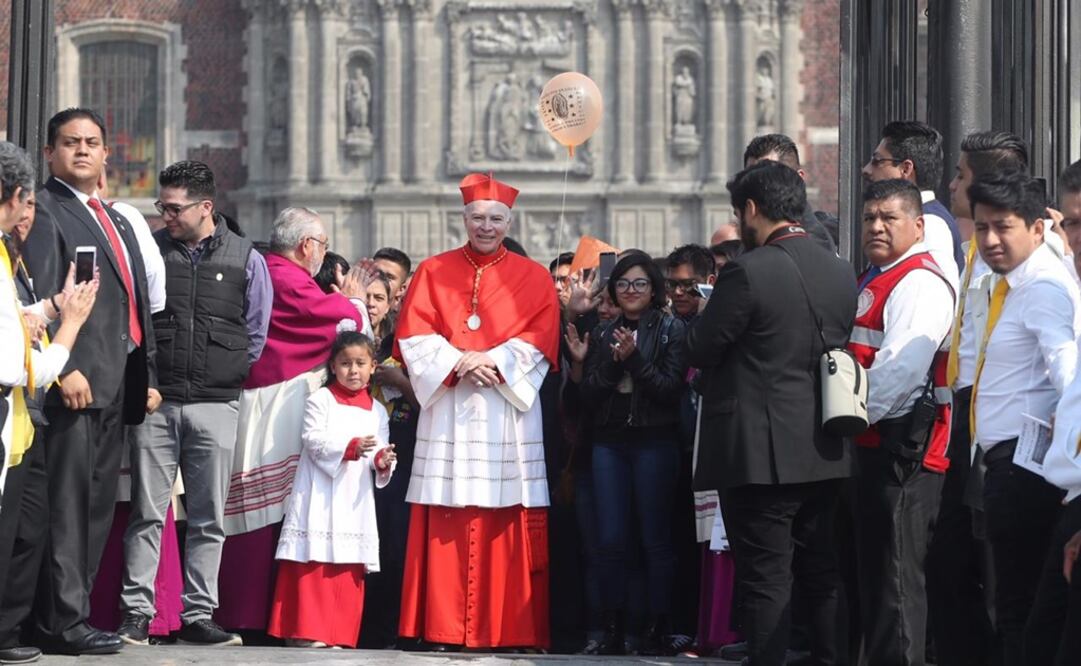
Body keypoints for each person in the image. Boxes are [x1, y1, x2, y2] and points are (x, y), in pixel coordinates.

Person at [687, 161, 857, 666]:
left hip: (758, 452)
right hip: (824, 446)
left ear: (752, 210)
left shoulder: (748, 270)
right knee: (822, 572)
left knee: (765, 576)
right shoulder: (840, 269)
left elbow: (699, 347)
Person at [395, 172, 560, 650]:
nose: (485, 227)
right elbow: (413, 334)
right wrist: (459, 362)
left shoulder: (535, 277)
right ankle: (444, 628)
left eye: (495, 219)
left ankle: (506, 628)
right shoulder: (431, 270)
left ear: (509, 221)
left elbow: (541, 335)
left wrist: (493, 361)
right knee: (447, 514)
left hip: (506, 408)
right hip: (449, 403)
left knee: (504, 516)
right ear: (463, 218)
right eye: (476, 218)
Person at [115, 161, 273, 647]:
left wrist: (227, 372)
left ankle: (199, 615)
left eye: (174, 208)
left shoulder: (247, 257)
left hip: (214, 403)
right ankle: (136, 614)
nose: (166, 215)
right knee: (148, 512)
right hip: (157, 402)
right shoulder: (152, 253)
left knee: (209, 518)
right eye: (162, 206)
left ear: (206, 207)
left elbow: (257, 329)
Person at [21, 108, 159, 656]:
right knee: (68, 508)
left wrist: (144, 373)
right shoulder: (46, 210)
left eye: (93, 142)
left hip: (116, 382)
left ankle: (73, 614)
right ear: (50, 153)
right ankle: (60, 622)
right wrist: (65, 368)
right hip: (74, 380)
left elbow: (134, 299)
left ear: (107, 155)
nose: (82, 150)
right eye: (70, 142)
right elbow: (43, 297)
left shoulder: (118, 218)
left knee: (98, 507)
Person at [214, 207, 370, 633]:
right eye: (321, 244)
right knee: (259, 515)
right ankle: (244, 616)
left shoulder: (275, 271)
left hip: (272, 400)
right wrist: (353, 298)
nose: (323, 253)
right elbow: (342, 324)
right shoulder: (285, 277)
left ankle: (250, 614)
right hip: (271, 404)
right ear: (306, 246)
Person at [968, 171, 1079, 665]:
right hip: (1009, 464)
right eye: (981, 227)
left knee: (1021, 609)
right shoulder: (1010, 286)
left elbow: (1066, 364)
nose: (991, 240)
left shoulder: (1042, 289)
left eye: (1004, 227)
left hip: (1027, 470)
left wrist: (1067, 420)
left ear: (1038, 229)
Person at [0, 142, 100, 664]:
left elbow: (13, 318)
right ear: (16, 195)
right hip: (13, 404)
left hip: (19, 418)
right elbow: (19, 367)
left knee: (25, 526)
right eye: (28, 201)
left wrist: (54, 305)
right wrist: (74, 326)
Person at [932, 130, 1029, 666]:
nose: (952, 183)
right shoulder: (973, 253)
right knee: (952, 558)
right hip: (967, 416)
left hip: (1009, 429)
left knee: (999, 572)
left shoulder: (1041, 264)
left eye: (961, 175)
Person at [848, 179, 955, 666]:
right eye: (870, 217)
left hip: (904, 450)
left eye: (889, 218)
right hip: (876, 446)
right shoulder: (878, 275)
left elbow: (897, 373)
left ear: (917, 225)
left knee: (896, 583)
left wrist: (849, 418)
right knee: (879, 578)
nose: (876, 226)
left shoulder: (918, 282)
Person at [268, 329, 396, 648]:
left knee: (347, 564)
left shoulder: (377, 411)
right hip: (319, 492)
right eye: (345, 363)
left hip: (354, 499)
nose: (353, 370)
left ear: (372, 368)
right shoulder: (321, 400)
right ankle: (305, 633)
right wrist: (350, 447)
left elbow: (377, 449)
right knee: (314, 560)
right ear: (333, 367)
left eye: (360, 363)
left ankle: (338, 633)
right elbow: (312, 440)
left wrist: (383, 458)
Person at [863, 120, 962, 292]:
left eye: (877, 161)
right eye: (870, 218)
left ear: (905, 169)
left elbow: (934, 296)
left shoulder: (931, 224)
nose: (866, 169)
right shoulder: (929, 218)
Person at [744, 133, 839, 250]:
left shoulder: (811, 244)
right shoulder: (749, 238)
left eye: (772, 177)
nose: (760, 188)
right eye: (751, 178)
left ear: (799, 178)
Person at [665, 245, 715, 322]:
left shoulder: (725, 322)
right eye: (672, 284)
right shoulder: (662, 323)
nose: (677, 292)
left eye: (687, 284)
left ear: (710, 282)